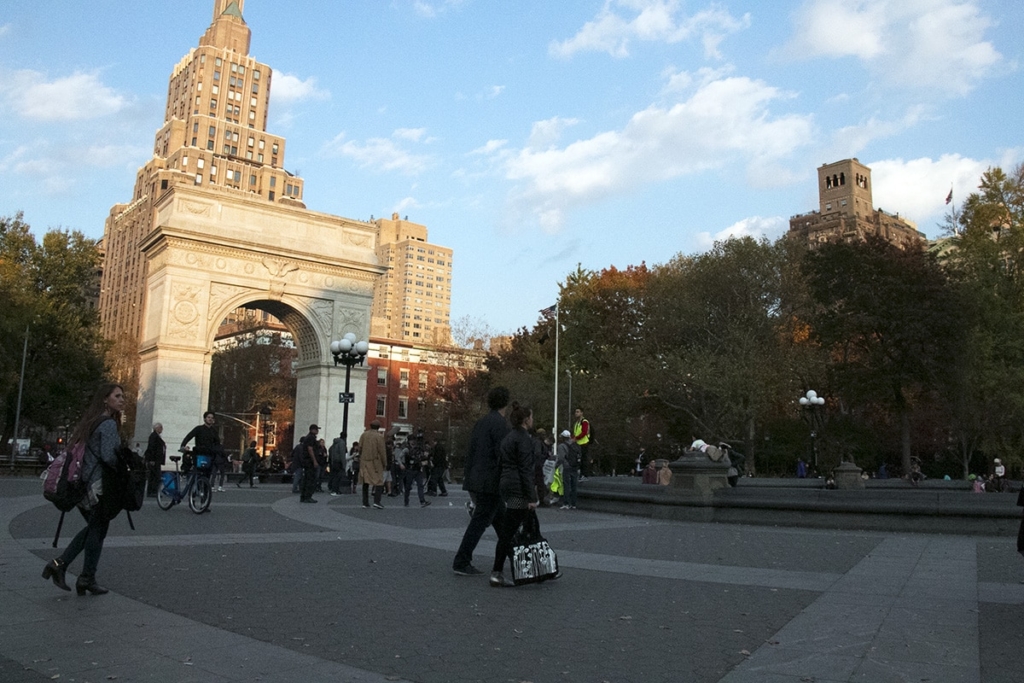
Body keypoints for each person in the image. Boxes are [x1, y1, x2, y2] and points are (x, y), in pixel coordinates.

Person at [41, 382, 125, 596]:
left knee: (95, 529)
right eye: (117, 396)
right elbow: (108, 456)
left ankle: (85, 577)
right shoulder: (108, 424)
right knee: (96, 529)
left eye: (122, 396)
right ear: (105, 399)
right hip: (96, 487)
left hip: (79, 485)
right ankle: (64, 566)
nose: (122, 399)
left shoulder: (90, 422)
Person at [452, 386, 511, 576]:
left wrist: (468, 480)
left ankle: (519, 558)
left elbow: (472, 452)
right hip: (491, 482)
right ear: (506, 403)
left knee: (502, 524)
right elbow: (502, 455)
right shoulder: (501, 425)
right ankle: (461, 560)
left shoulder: (481, 423)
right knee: (480, 522)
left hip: (478, 479)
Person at [490, 402, 539, 587]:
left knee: (525, 525)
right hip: (519, 488)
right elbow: (526, 469)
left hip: (507, 484)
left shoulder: (509, 438)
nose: (533, 420)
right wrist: (532, 497)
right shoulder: (524, 439)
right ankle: (498, 571)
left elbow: (501, 465)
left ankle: (535, 567)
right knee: (510, 530)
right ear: (526, 420)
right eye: (532, 417)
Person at [179, 411, 224, 485]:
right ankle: (194, 485)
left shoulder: (214, 431)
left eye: (212, 418)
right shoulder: (198, 429)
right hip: (199, 454)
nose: (210, 419)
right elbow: (189, 436)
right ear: (204, 419)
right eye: (208, 417)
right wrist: (183, 446)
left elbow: (217, 443)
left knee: (207, 475)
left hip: (209, 455)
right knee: (198, 472)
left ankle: (205, 492)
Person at [358, 420, 387, 508]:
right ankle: (377, 501)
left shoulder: (364, 435)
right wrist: (385, 463)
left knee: (365, 482)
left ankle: (365, 502)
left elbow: (360, 447)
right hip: (375, 462)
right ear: (378, 427)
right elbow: (382, 451)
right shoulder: (379, 437)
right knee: (379, 481)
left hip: (364, 461)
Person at [401, 437, 431, 507]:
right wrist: (401, 464)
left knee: (420, 485)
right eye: (412, 440)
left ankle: (422, 501)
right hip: (410, 470)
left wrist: (425, 461)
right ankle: (406, 501)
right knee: (408, 487)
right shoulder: (407, 449)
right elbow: (400, 457)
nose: (413, 442)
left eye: (414, 440)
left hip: (417, 469)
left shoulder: (419, 449)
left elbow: (424, 458)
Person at [557, 430, 580, 509]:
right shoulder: (575, 444)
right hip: (575, 466)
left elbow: (561, 458)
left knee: (566, 485)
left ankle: (566, 503)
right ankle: (574, 504)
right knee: (574, 485)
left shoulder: (561, 446)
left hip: (567, 467)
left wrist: (556, 466)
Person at [298, 424, 321, 503]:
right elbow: (310, 449)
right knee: (310, 480)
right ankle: (308, 496)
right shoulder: (311, 438)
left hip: (307, 461)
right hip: (310, 462)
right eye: (316, 429)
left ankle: (303, 496)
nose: (317, 431)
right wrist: (314, 460)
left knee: (306, 479)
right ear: (312, 430)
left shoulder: (308, 437)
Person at [143, 423, 166, 498]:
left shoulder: (156, 436)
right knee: (154, 476)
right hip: (154, 460)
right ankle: (152, 492)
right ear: (156, 428)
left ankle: (154, 491)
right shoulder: (153, 436)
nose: (162, 429)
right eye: (161, 427)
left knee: (156, 476)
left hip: (157, 460)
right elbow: (151, 448)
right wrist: (151, 459)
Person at [571, 407, 591, 479]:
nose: (576, 413)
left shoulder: (584, 422)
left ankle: (584, 474)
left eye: (578, 412)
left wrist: (576, 438)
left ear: (582, 413)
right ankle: (580, 474)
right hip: (578, 443)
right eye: (576, 412)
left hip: (583, 443)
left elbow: (584, 432)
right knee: (578, 459)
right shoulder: (576, 423)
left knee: (584, 459)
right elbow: (575, 432)